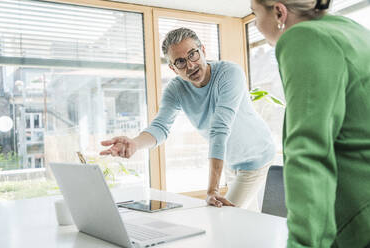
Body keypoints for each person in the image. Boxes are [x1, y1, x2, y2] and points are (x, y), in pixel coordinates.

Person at [100, 28, 276, 211]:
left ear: (203, 51)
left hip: (256, 156)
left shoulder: (229, 73)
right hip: (231, 162)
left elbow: (220, 128)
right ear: (173, 68)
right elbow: (160, 127)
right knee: (248, 221)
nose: (190, 66)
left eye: (193, 54)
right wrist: (135, 143)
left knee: (225, 216)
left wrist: (212, 190)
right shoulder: (175, 90)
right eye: (180, 62)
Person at [251, 0, 370, 246]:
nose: (255, 24)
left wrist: (303, 243)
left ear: (279, 12)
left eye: (254, 14)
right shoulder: (353, 31)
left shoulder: (305, 37)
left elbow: (308, 151)